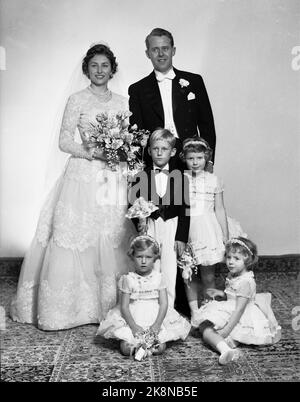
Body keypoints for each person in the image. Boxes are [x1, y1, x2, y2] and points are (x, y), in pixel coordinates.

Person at [10, 44, 136, 330]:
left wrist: (118, 152)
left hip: (112, 175)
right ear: (86, 69)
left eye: (105, 65)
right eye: (94, 66)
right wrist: (93, 151)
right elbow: (64, 140)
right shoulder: (76, 100)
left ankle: (110, 305)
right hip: (82, 175)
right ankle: (72, 309)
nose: (100, 71)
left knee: (112, 234)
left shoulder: (122, 102)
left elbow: (129, 139)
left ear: (112, 69)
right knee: (77, 235)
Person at [128, 27, 216, 169]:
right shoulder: (137, 89)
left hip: (191, 156)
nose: (161, 54)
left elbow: (207, 125)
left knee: (190, 192)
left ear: (173, 50)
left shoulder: (194, 81)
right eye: (155, 49)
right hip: (156, 158)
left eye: (165, 48)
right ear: (147, 53)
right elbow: (137, 132)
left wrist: (209, 160)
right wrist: (139, 165)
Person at [180, 137, 247, 321]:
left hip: (207, 229)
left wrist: (225, 236)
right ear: (184, 158)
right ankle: (194, 312)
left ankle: (208, 310)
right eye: (191, 158)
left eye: (199, 158)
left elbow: (219, 209)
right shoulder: (180, 179)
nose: (195, 162)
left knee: (208, 275)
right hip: (186, 227)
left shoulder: (214, 180)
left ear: (206, 158)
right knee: (187, 273)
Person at [97, 235, 191, 358]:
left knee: (161, 347)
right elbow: (124, 306)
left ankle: (148, 348)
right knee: (125, 347)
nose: (143, 261)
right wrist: (133, 326)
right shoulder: (128, 279)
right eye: (139, 257)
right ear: (132, 257)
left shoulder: (159, 277)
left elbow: (163, 304)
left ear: (155, 258)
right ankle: (135, 347)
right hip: (134, 317)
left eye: (148, 257)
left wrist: (157, 325)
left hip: (154, 317)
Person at [193, 237, 281, 365]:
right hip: (231, 308)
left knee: (207, 331)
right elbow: (233, 295)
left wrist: (227, 330)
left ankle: (225, 349)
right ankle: (225, 344)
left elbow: (239, 309)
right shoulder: (233, 275)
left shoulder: (245, 282)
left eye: (236, 259)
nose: (230, 262)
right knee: (204, 325)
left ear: (247, 260)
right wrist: (221, 294)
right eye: (228, 257)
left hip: (241, 315)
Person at [128, 129, 190, 311]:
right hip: (150, 226)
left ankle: (168, 311)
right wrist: (140, 224)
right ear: (149, 151)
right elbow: (131, 204)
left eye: (164, 149)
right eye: (155, 148)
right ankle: (150, 309)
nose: (160, 152)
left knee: (170, 271)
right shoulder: (141, 176)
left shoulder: (180, 177)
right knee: (150, 269)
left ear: (172, 152)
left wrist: (182, 237)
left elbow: (186, 210)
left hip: (172, 225)